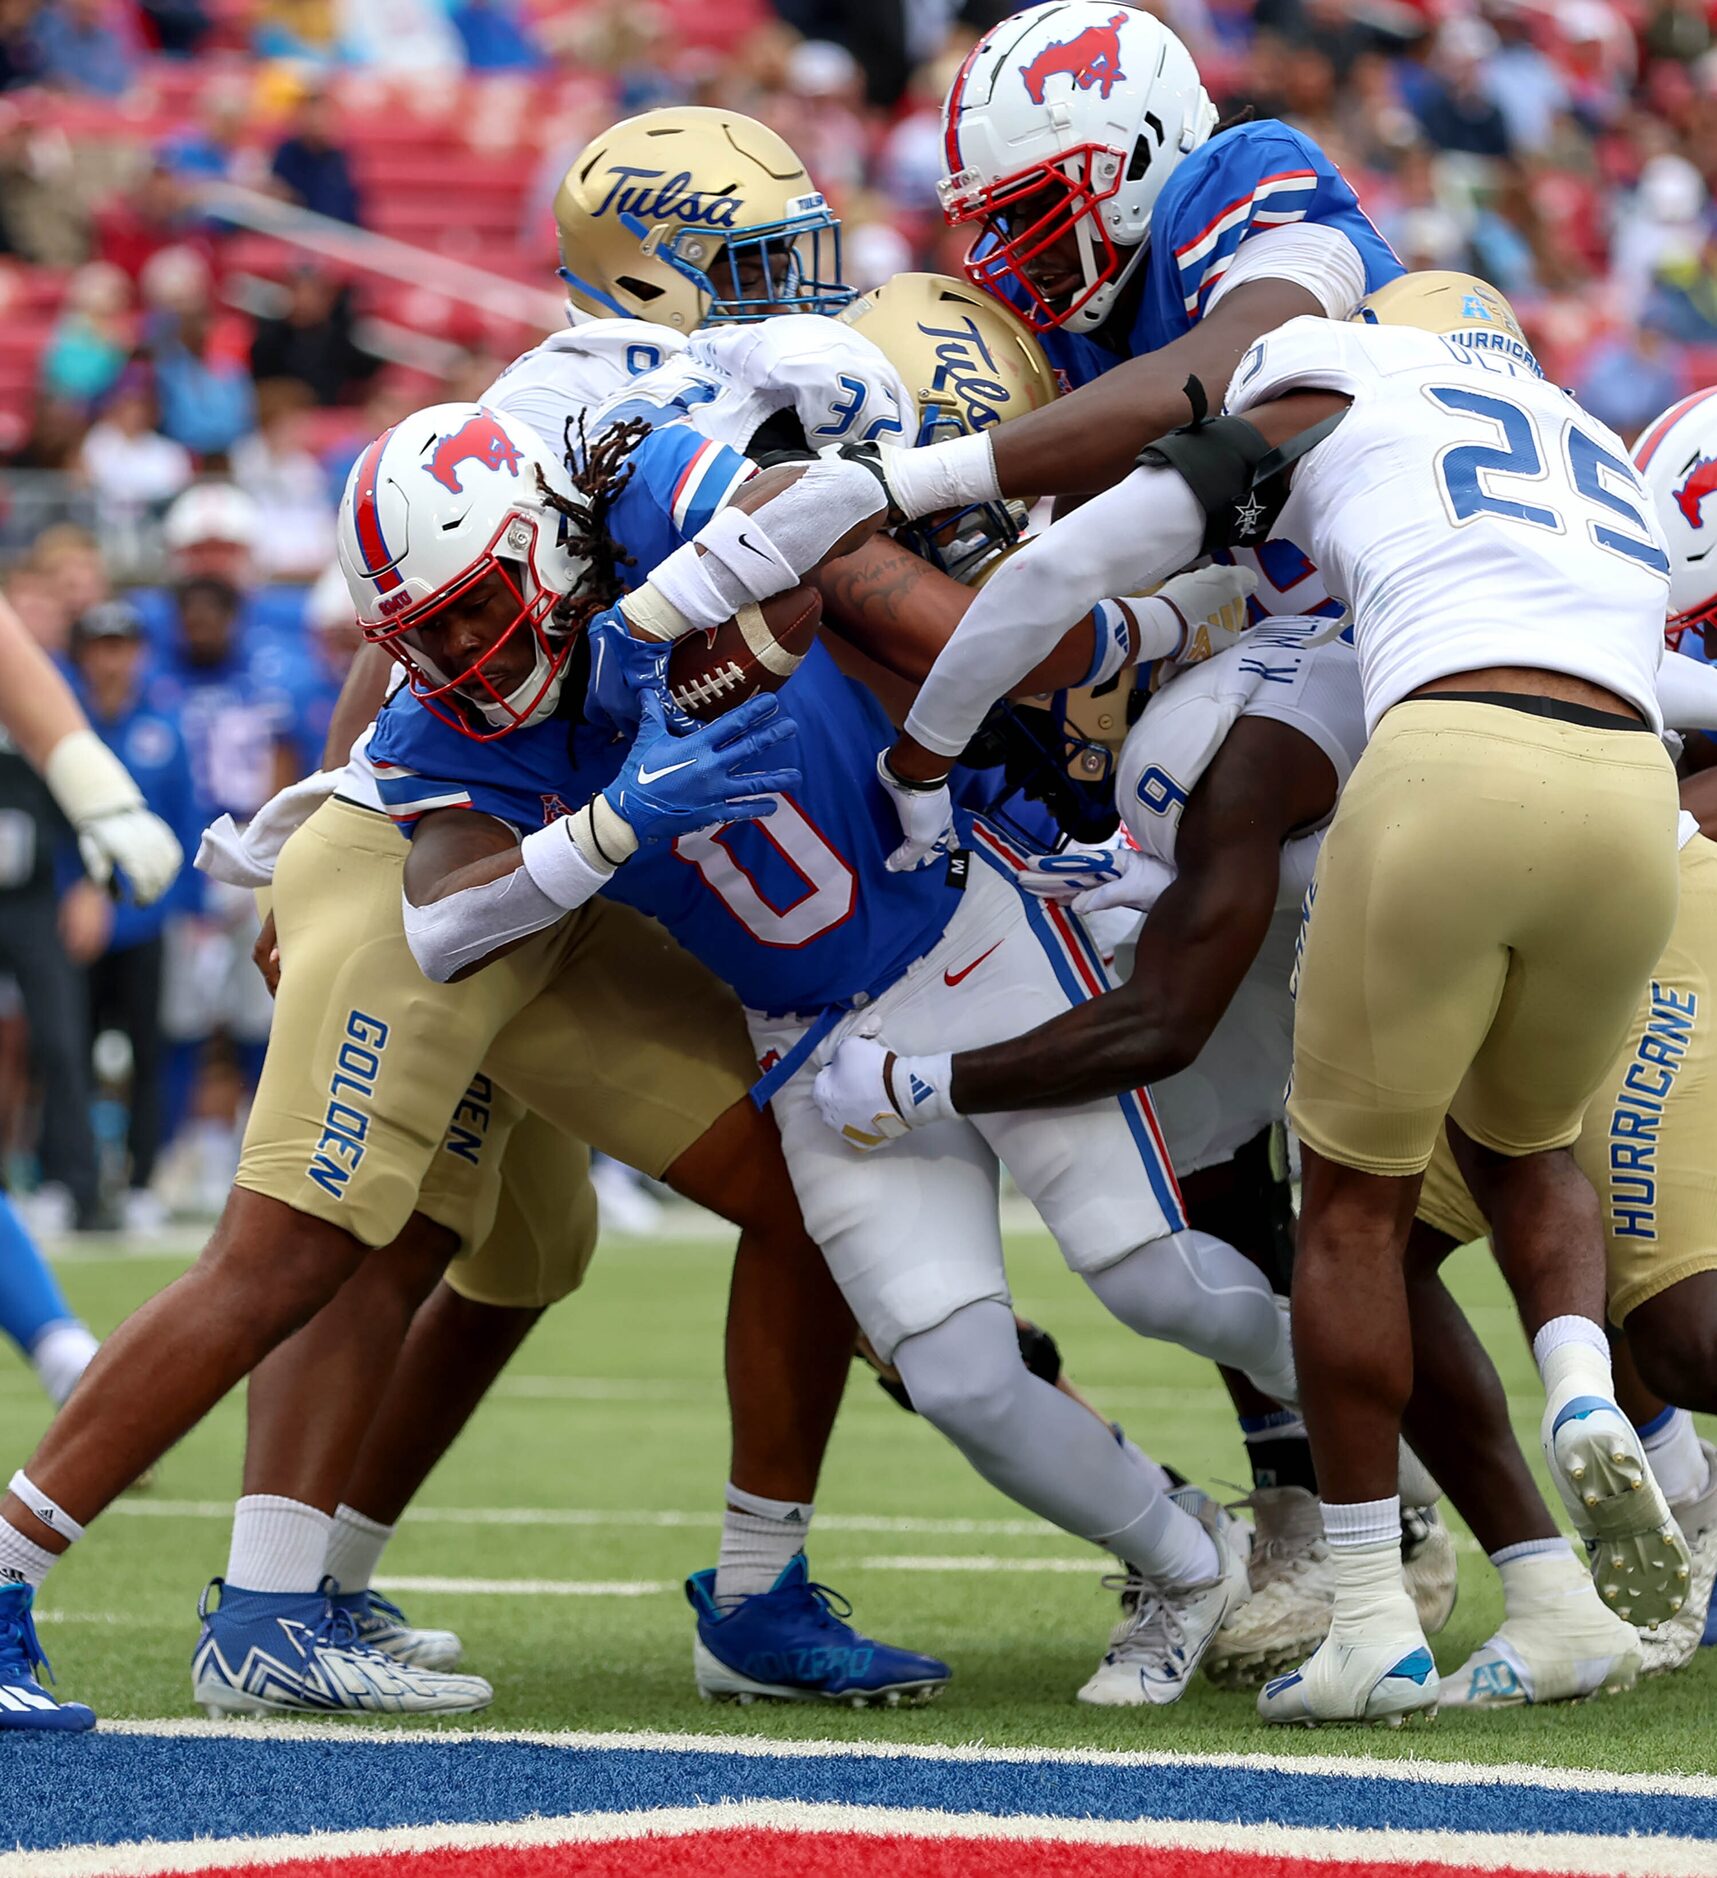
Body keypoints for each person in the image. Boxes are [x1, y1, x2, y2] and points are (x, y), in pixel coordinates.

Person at [819, 271, 1688, 1725]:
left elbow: (1055, 584)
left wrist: (923, 771)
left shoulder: (1319, 388)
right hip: (1626, 788)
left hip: (1441, 781)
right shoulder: (1576, 441)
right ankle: (1578, 1438)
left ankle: (1365, 1614)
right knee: (1522, 1147)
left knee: (1347, 1215)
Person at [359, 367, 1283, 1707]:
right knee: (960, 1378)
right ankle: (1186, 1558)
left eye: (480, 617)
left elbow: (818, 512)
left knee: (1149, 1278)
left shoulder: (637, 512)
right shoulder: (439, 731)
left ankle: (1365, 1444)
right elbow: (445, 929)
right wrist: (609, 825)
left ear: (543, 546)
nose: (467, 664)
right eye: (430, 643)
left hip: (969, 923)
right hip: (812, 1037)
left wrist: (666, 614)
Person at [66, 601, 199, 1231]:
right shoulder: (68, 730)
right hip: (77, 924)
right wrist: (72, 896)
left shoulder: (163, 729)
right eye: (101, 645)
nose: (112, 659)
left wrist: (183, 908)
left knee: (149, 1049)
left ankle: (143, 1180)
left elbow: (181, 822)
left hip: (145, 920)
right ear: (84, 654)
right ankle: (74, 1183)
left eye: (123, 645)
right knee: (67, 1052)